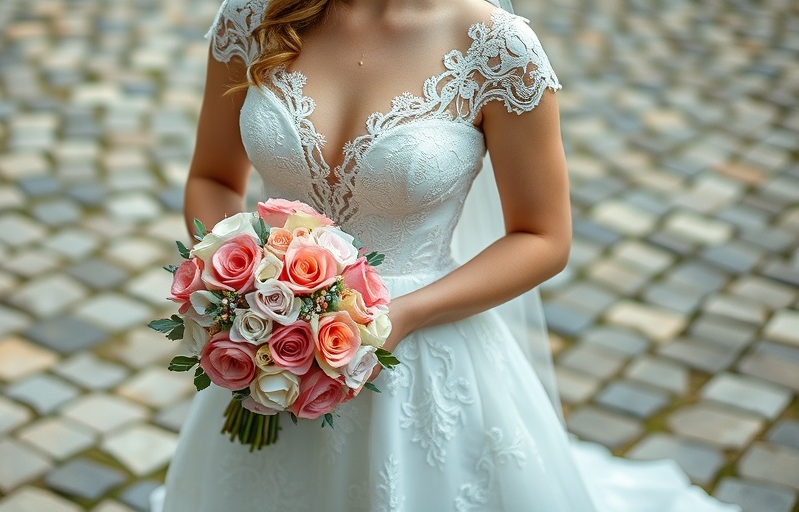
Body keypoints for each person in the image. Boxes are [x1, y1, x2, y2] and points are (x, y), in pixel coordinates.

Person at [152, 0, 742, 510]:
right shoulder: (255, 16)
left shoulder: (497, 49)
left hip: (427, 351)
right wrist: (240, 279)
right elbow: (212, 176)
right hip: (265, 348)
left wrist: (403, 315)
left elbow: (543, 236)